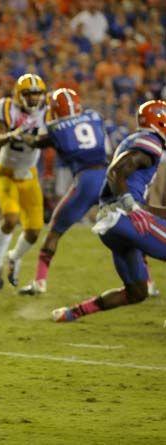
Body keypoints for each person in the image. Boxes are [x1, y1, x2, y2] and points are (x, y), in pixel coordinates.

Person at [52, 100, 166, 322]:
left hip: (111, 225)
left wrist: (146, 209)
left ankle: (73, 312)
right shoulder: (150, 142)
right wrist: (131, 206)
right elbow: (115, 173)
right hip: (125, 217)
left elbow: (136, 199)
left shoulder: (136, 140)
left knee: (136, 292)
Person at [18, 88, 110, 295]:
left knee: (54, 232)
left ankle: (40, 281)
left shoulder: (55, 127)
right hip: (108, 177)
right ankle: (147, 282)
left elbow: (35, 142)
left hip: (85, 180)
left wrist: (22, 135)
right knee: (129, 229)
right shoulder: (94, 116)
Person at [0, 74, 50, 289]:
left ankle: (14, 257)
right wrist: (10, 135)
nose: (34, 99)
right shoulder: (7, 107)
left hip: (29, 174)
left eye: (37, 94)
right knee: (10, 217)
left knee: (34, 230)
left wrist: (39, 140)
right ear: (19, 95)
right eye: (29, 94)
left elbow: (52, 139)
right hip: (6, 172)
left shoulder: (47, 110)